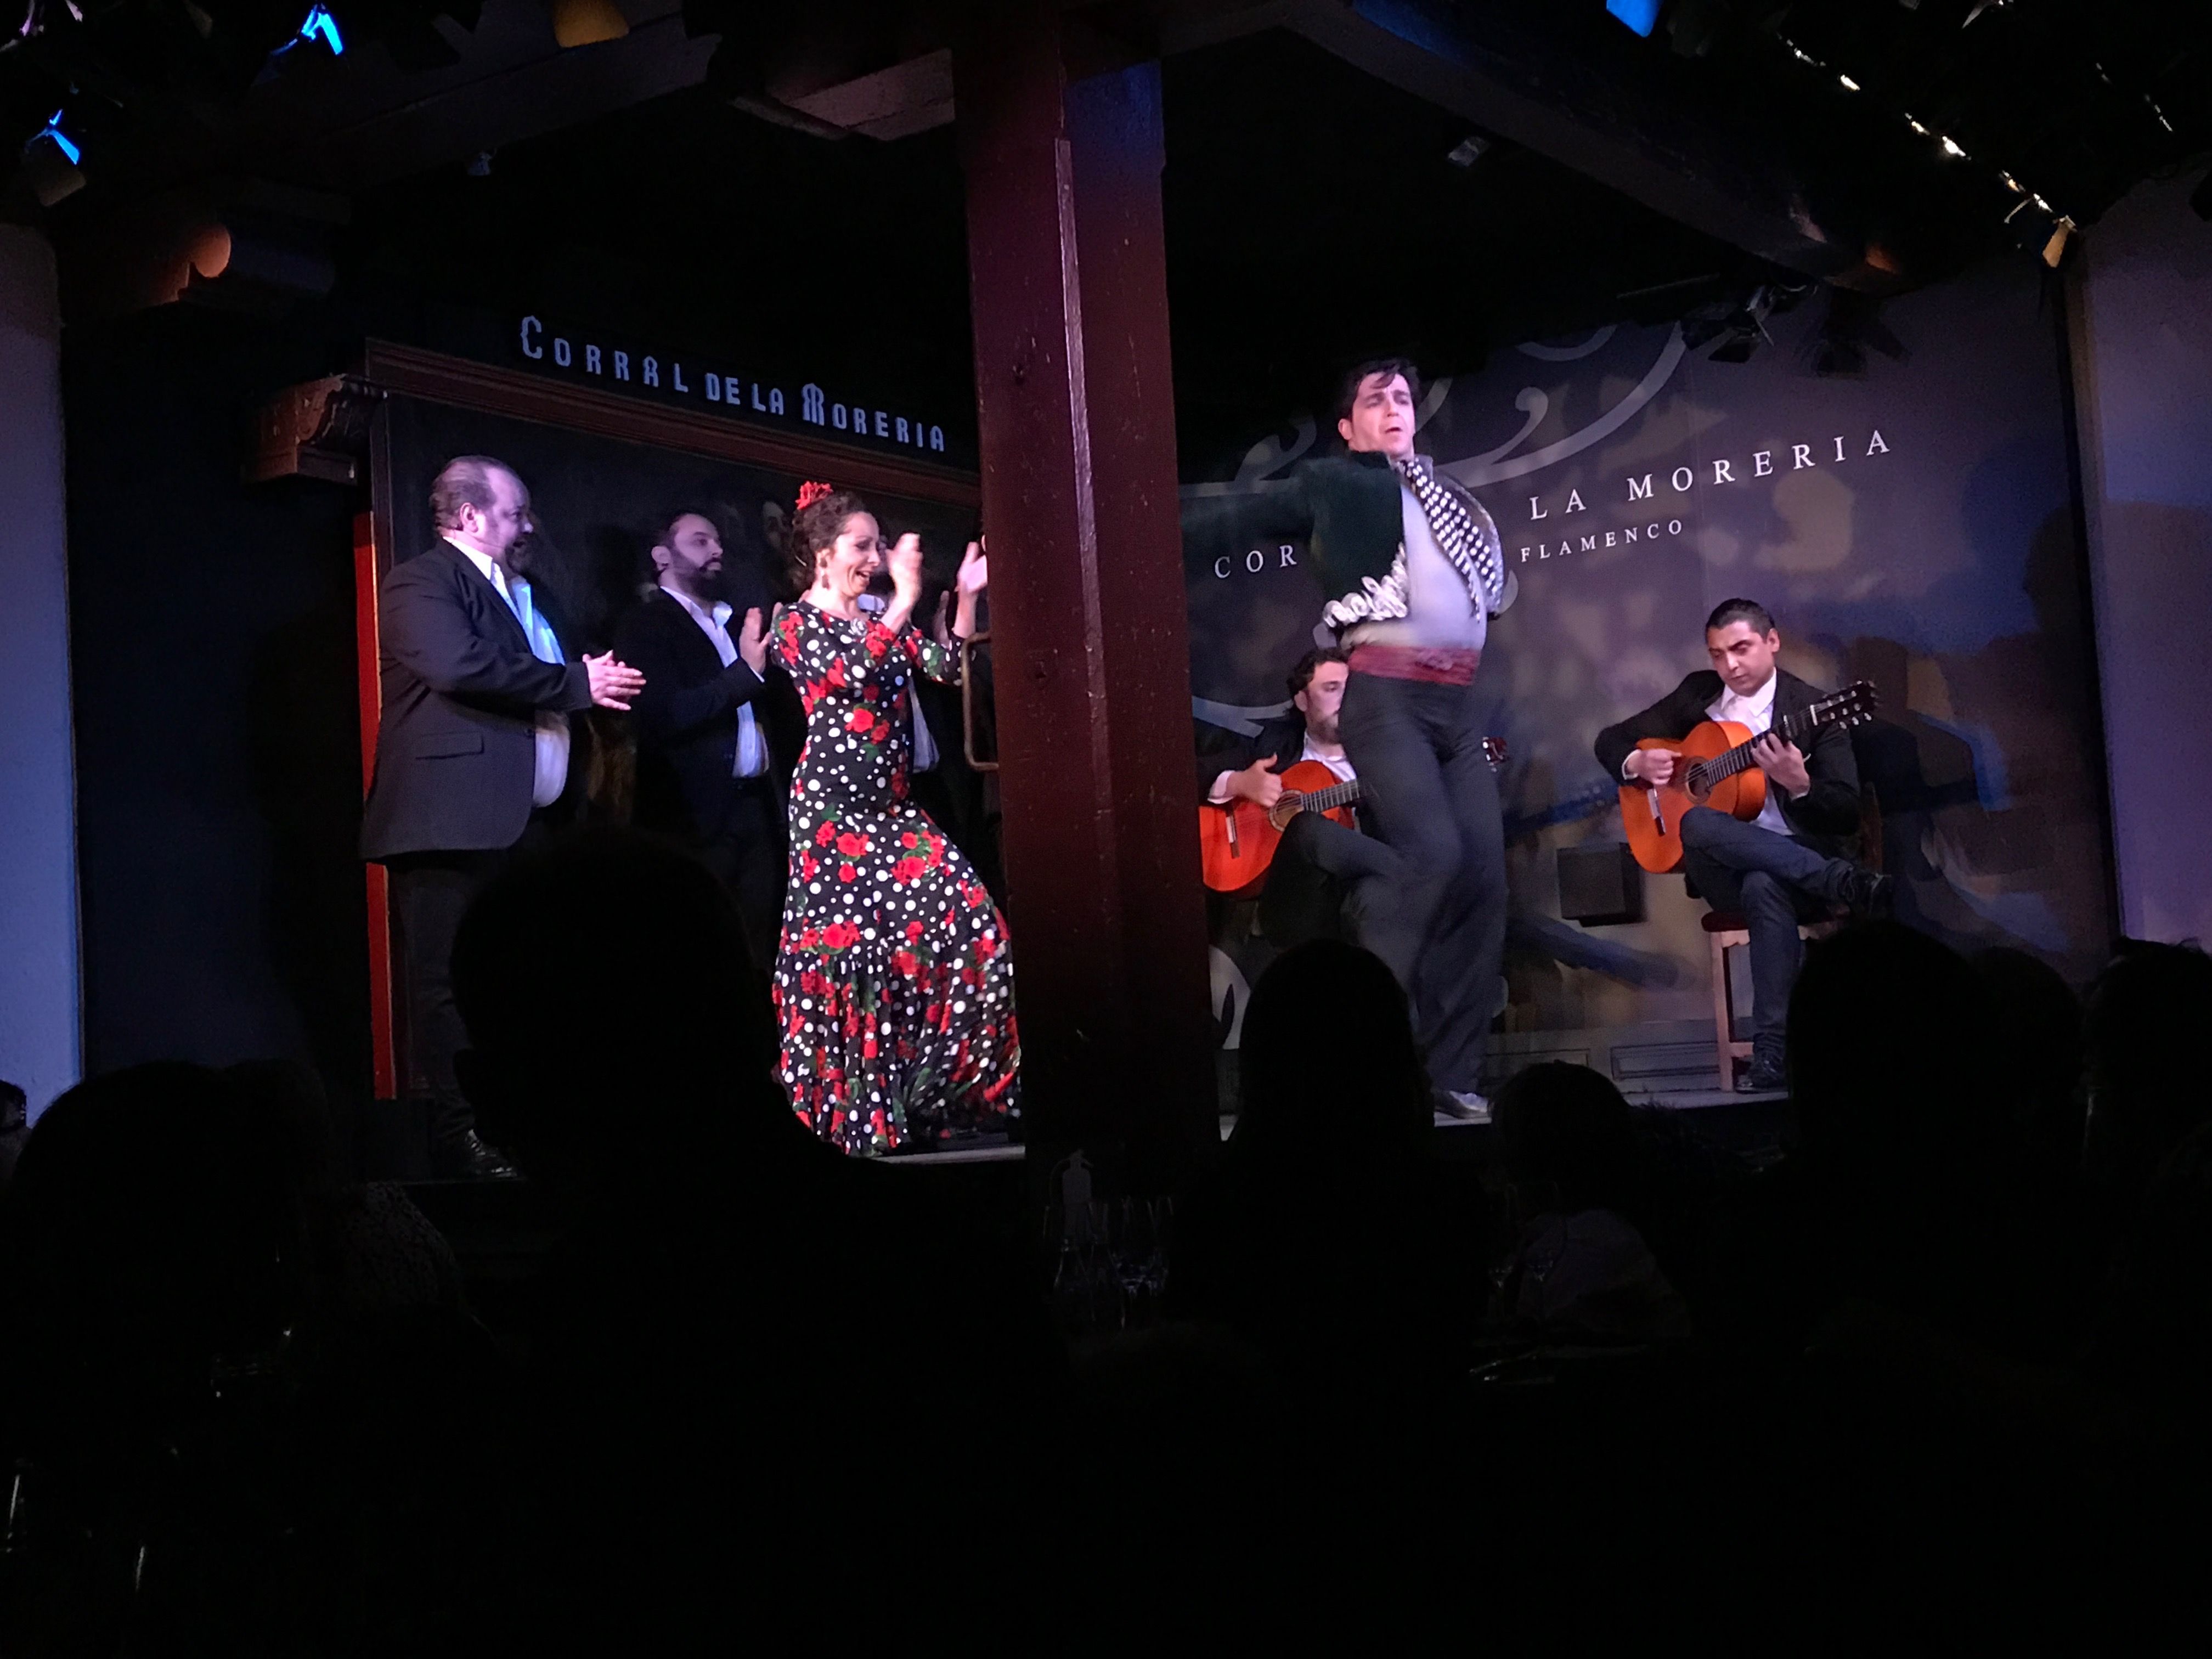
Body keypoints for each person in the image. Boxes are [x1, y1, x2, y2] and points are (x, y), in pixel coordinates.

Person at [1183, 359, 1510, 1118]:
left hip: (1456, 703)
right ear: (1347, 425)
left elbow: (1482, 594)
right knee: (1432, 857)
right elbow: (1225, 523)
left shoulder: (1445, 499)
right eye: (1377, 399)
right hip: (1387, 696)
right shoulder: (1336, 485)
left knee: (1483, 883)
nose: (1395, 408)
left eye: (1403, 398)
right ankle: (1371, 1063)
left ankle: (1452, 1075)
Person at [359, 454, 646, 1177]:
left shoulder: (529, 593)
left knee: (530, 984)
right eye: (516, 513)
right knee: (448, 984)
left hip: (535, 828)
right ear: (469, 517)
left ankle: (532, 1130)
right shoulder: (421, 582)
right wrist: (578, 682)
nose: (530, 525)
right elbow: (460, 666)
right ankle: (468, 1137)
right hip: (451, 822)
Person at [770, 485, 1018, 1154]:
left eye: (879, 546)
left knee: (976, 929)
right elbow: (851, 674)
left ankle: (949, 1095)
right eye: (861, 547)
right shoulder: (796, 624)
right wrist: (905, 600)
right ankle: (858, 1117)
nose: (876, 560)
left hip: (894, 815)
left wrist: (964, 597)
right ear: (822, 555)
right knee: (857, 964)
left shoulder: (881, 618)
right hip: (832, 818)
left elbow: (946, 668)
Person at [1595, 597, 1889, 1092]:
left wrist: (1800, 785)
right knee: (1697, 827)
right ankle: (1844, 883)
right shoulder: (1700, 694)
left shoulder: (1816, 712)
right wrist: (1635, 763)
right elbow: (1612, 739)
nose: (1729, 665)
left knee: (1763, 884)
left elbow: (1842, 811)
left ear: (1772, 643)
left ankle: (1772, 1055)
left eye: (1741, 649)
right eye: (1717, 654)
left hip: (1796, 876)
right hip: (1722, 874)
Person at [612, 508, 787, 963]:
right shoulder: (645, 625)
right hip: (691, 818)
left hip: (756, 810)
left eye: (717, 541)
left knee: (759, 946)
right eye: (699, 541)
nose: (716, 549)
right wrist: (745, 674)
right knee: (696, 952)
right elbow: (666, 714)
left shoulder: (737, 623)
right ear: (662, 555)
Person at [1201, 646, 1406, 953]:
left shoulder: (1387, 756)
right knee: (1307, 830)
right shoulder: (1276, 744)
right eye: (1331, 688)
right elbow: (1191, 773)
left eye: (1351, 689)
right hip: (1286, 901)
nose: (1346, 698)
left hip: (1351, 897)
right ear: (1302, 700)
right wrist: (1240, 782)